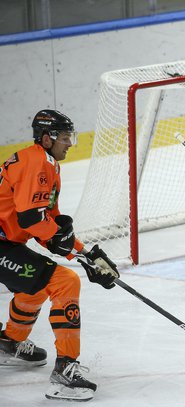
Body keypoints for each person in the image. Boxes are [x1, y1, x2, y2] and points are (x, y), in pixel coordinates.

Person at [0, 110, 119, 401]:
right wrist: (63, 243)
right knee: (64, 282)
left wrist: (86, 253)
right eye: (64, 138)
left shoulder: (47, 163)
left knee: (39, 282)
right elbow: (31, 220)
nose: (70, 143)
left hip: (6, 243)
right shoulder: (37, 163)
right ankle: (65, 375)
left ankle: (9, 342)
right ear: (46, 138)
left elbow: (48, 224)